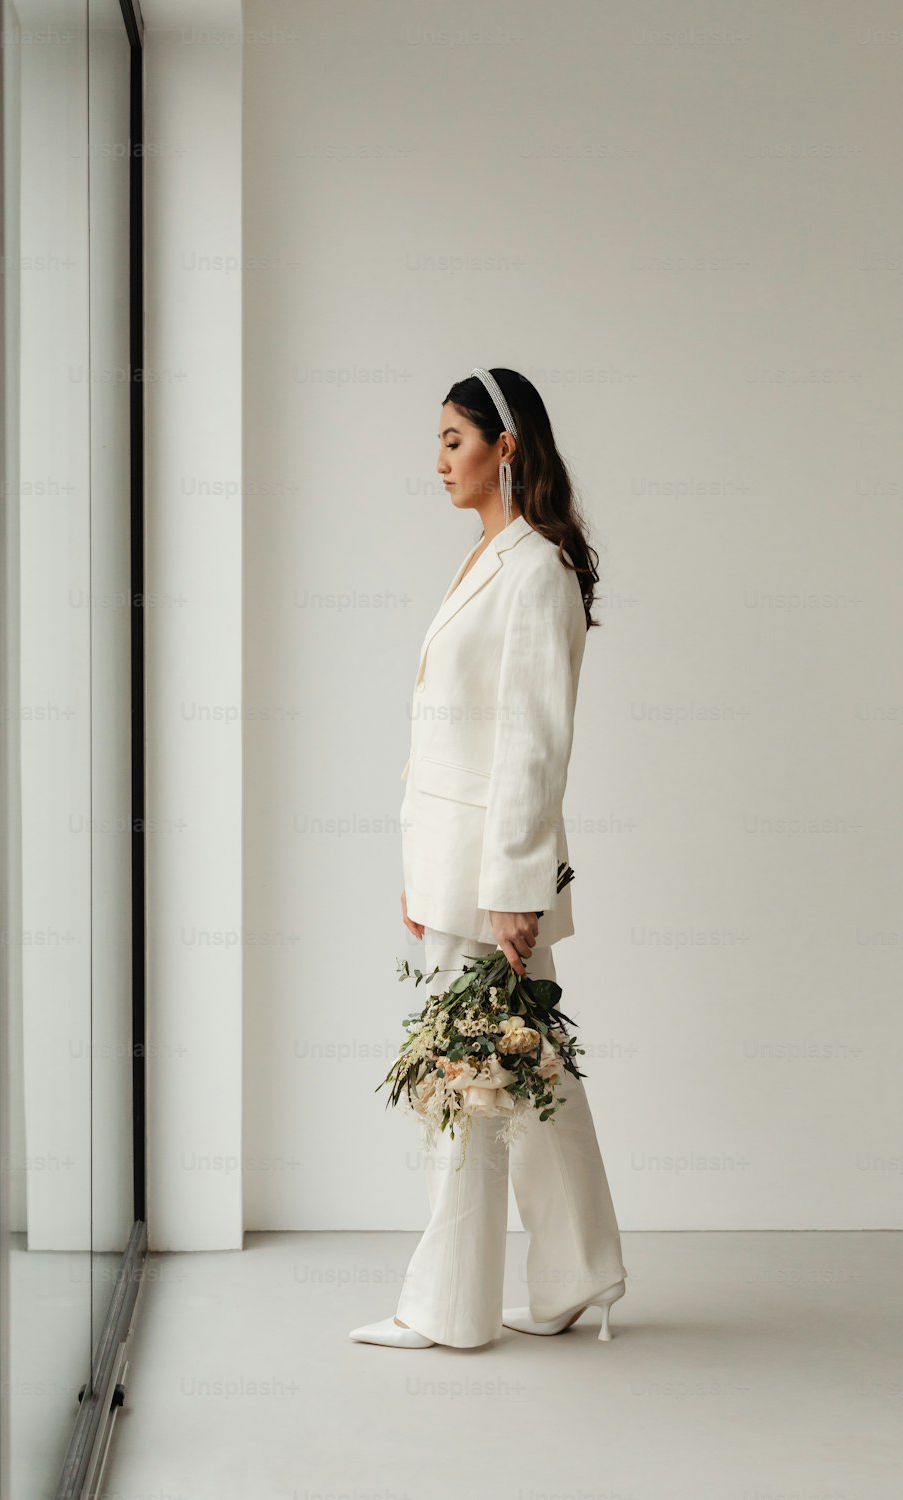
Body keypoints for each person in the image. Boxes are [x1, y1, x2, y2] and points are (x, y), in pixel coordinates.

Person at [349, 367, 628, 1349]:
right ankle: (578, 1272)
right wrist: (418, 864)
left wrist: (513, 889)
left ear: (505, 448)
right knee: (528, 1067)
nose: (439, 461)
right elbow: (448, 733)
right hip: (452, 865)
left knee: (469, 1078)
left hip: (490, 879)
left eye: (454, 440)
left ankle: (451, 1310)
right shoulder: (487, 559)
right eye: (436, 442)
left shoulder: (537, 568)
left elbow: (532, 741)